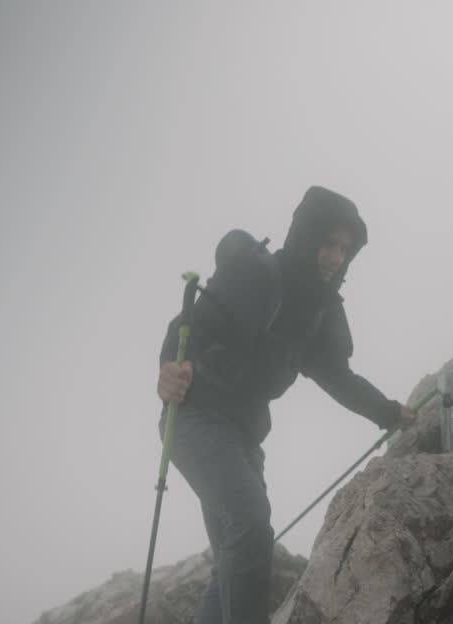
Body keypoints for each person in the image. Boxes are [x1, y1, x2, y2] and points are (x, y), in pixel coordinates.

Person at [156, 185, 417, 624]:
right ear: (305, 235)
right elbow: (187, 326)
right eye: (328, 242)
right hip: (195, 419)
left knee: (235, 557)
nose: (335, 257)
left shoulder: (319, 310)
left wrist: (390, 413)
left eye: (345, 249)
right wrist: (168, 367)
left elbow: (337, 376)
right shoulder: (256, 274)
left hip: (243, 434)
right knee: (251, 524)